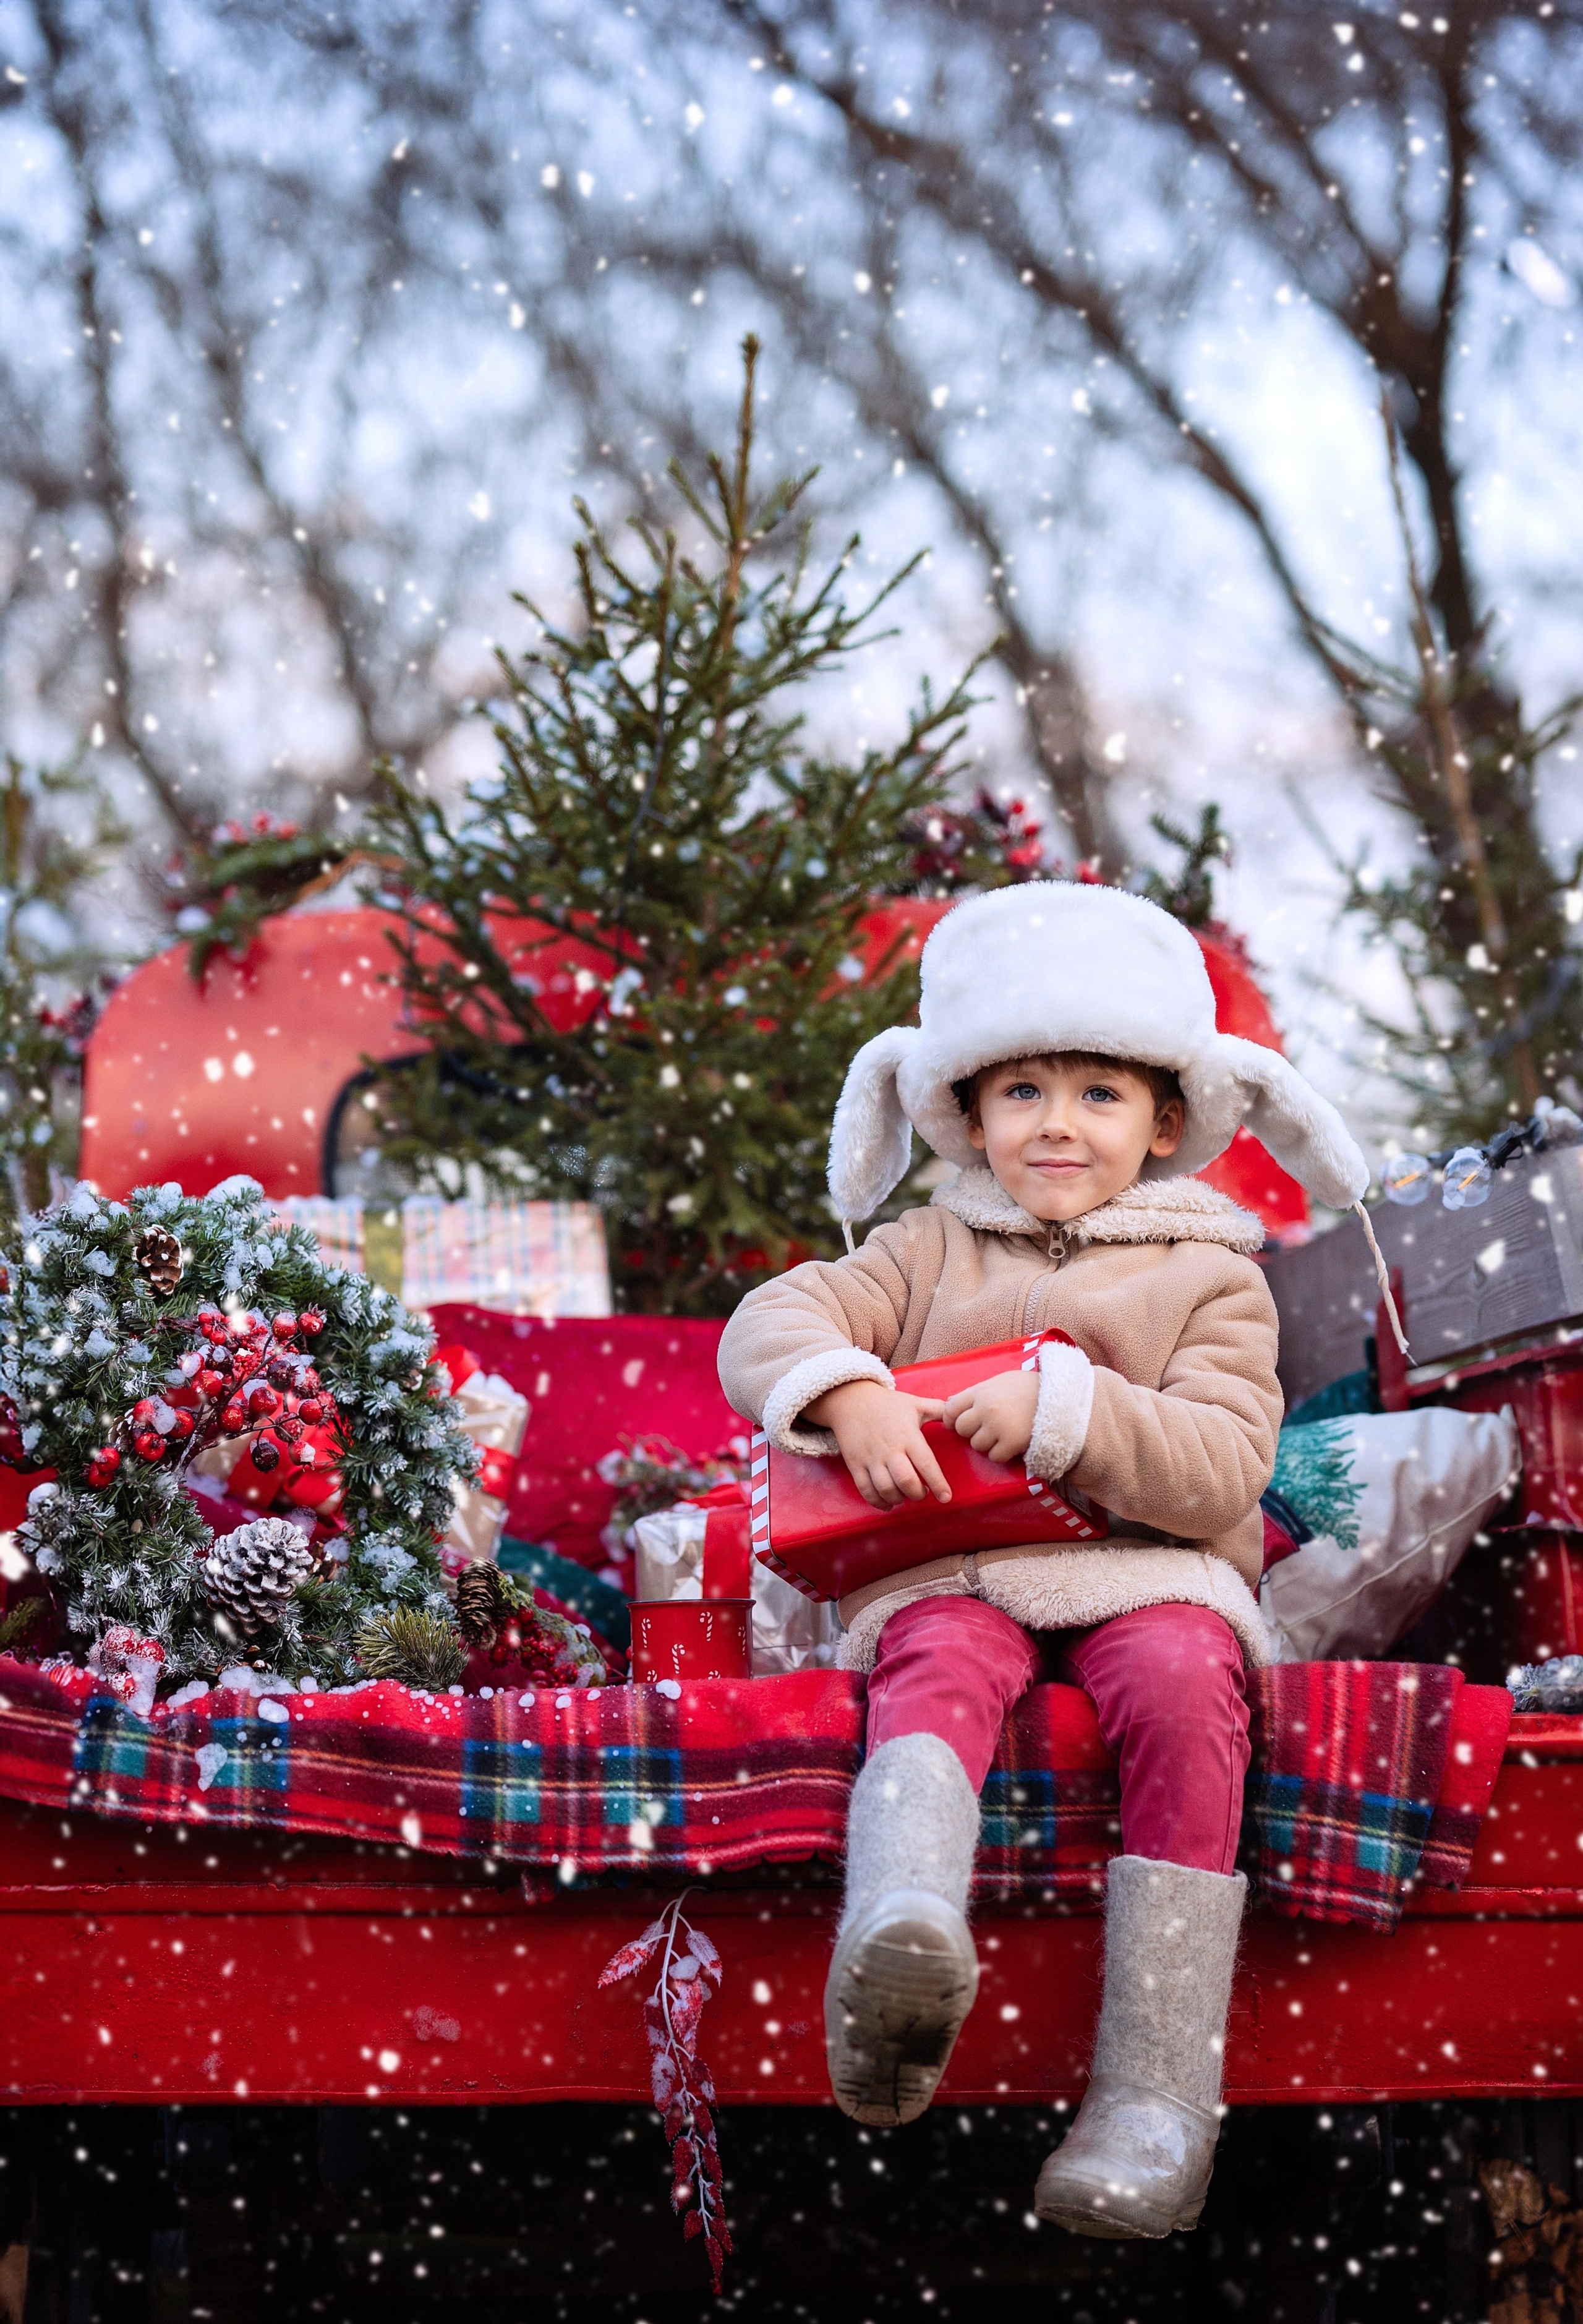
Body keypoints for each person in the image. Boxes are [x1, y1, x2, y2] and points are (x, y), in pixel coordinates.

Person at [717, 879, 1372, 2240]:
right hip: (954, 1563)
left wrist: (1063, 1410)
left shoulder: (1209, 1275)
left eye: (1097, 1093)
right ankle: (899, 1935)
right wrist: (850, 1392)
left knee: (1189, 1692)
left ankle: (1151, 2094)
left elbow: (1221, 1464)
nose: (1056, 1124)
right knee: (936, 1663)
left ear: (1165, 1122)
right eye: (1020, 1092)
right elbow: (771, 1319)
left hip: (1149, 1568)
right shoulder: (923, 1245)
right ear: (964, 1114)